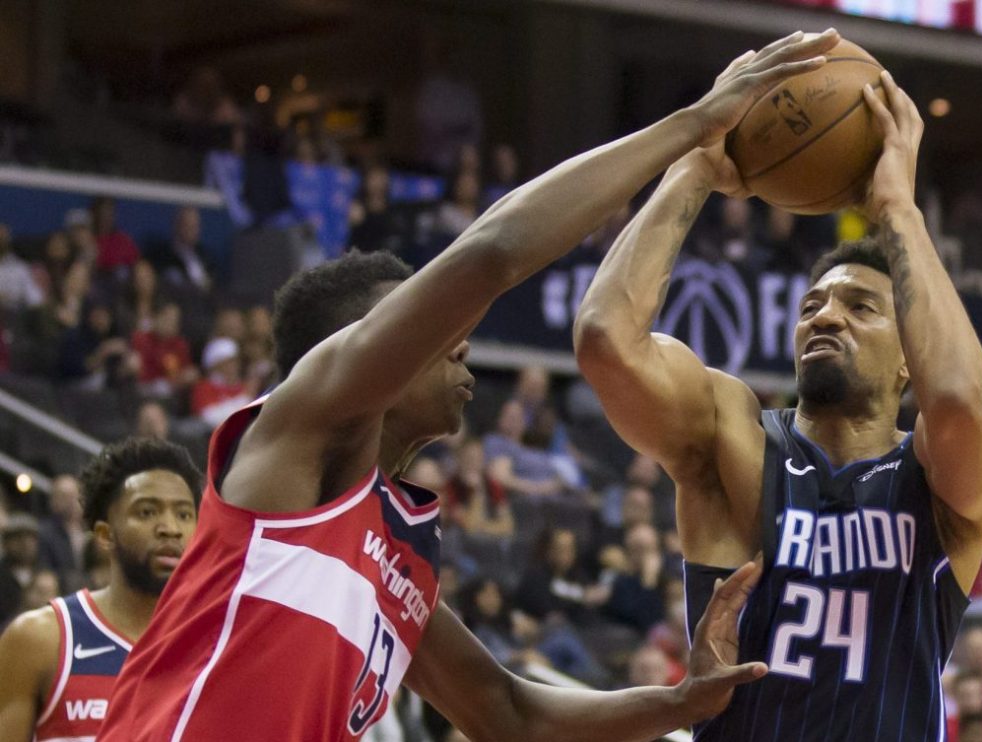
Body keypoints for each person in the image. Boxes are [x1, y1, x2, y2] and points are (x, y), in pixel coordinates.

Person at [99, 31, 837, 742]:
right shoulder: (305, 426)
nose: (458, 338)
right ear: (361, 346)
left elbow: (508, 716)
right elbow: (491, 254)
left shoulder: (400, 551)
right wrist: (692, 129)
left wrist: (683, 701)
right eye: (424, 322)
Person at [573, 68, 982, 739]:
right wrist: (693, 168)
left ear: (908, 356)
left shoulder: (935, 479)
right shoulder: (735, 438)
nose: (825, 317)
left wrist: (898, 211)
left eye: (860, 306)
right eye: (812, 306)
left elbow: (955, 396)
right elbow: (606, 339)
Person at [0, 437, 201, 742]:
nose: (170, 527)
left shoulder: (218, 646)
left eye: (184, 514)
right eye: (147, 512)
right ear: (105, 535)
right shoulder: (41, 638)